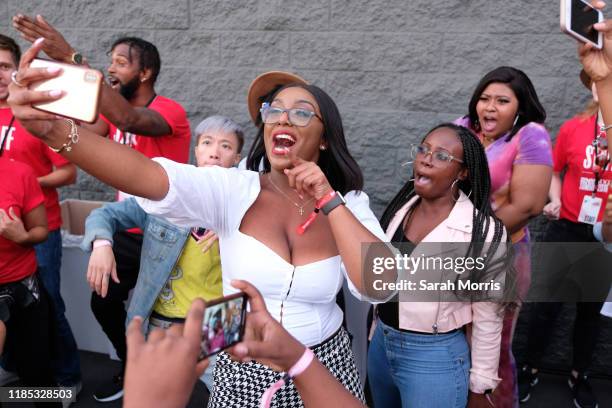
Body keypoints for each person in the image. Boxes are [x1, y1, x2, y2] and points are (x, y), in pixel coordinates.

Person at [8, 45, 389, 407]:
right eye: (274, 110)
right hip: (243, 365)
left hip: (324, 364)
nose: (283, 118)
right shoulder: (232, 189)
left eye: (302, 112)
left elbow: (381, 285)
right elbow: (148, 175)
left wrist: (330, 200)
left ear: (324, 139)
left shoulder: (349, 204)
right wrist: (55, 132)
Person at [12, 17, 192, 402]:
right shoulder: (110, 119)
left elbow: (129, 119)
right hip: (126, 230)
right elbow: (74, 134)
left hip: (167, 233)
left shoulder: (169, 112)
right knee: (104, 301)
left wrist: (71, 57)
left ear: (145, 73)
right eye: (109, 61)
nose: (111, 68)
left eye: (121, 62)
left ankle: (159, 381)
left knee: (153, 315)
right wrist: (39, 104)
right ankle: (132, 364)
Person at [80, 116, 243, 394]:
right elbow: (104, 215)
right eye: (207, 142)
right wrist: (102, 245)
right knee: (156, 396)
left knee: (229, 396)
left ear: (237, 158)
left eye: (225, 146)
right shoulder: (166, 193)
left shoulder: (245, 201)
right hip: (163, 322)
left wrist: (238, 228)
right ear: (196, 151)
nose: (215, 151)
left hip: (218, 319)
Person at [367, 123, 511, 408]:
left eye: (442, 155)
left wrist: (480, 386)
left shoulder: (482, 232)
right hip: (381, 345)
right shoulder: (400, 208)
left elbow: (488, 315)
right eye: (423, 149)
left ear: (463, 172)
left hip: (434, 358)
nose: (426, 158)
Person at [455, 66, 553, 407]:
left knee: (490, 350)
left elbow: (527, 206)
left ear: (519, 108)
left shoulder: (530, 135)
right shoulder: (460, 128)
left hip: (501, 258)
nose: (489, 108)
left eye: (501, 100)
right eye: (484, 98)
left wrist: (467, 241)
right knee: (450, 341)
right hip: (449, 253)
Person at [519, 69, 611, 408]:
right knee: (546, 308)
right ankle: (529, 367)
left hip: (604, 238)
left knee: (589, 313)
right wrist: (554, 199)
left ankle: (579, 375)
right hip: (567, 228)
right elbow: (555, 170)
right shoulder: (575, 127)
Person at [123, 280, 365, 408]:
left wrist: (332, 205)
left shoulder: (348, 203)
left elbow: (384, 284)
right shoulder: (234, 195)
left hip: (329, 359)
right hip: (243, 359)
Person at [0, 33, 81, 392]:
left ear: (18, 69)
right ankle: (16, 367)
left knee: (48, 310)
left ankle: (67, 377)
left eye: (4, 66)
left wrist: (25, 185)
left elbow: (68, 172)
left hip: (40, 230)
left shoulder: (38, 113)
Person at [0, 153, 59, 407]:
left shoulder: (19, 173)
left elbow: (41, 231)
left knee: (38, 375)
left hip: (22, 287)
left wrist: (21, 236)